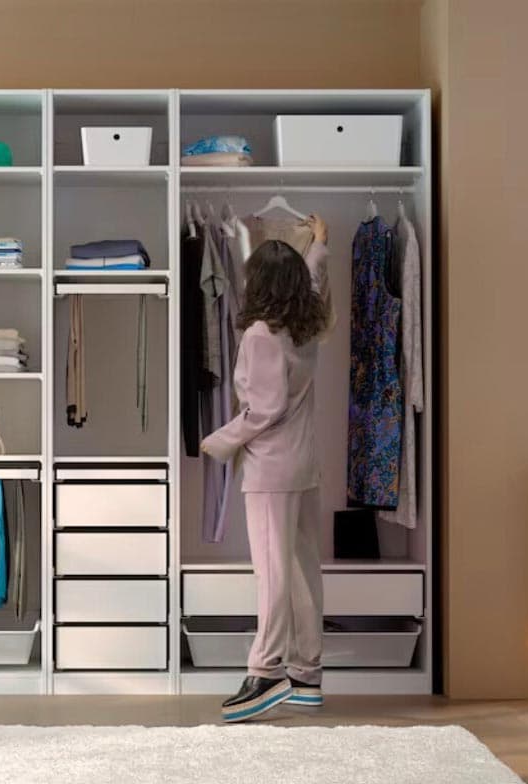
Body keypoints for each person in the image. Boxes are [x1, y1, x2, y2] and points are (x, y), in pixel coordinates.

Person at [201, 215, 330, 724]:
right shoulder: (308, 323)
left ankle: (267, 670)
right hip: (304, 463)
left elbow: (264, 409)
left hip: (272, 469)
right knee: (301, 569)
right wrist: (318, 248)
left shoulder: (259, 333)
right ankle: (306, 672)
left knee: (273, 572)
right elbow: (314, 284)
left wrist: (220, 441)